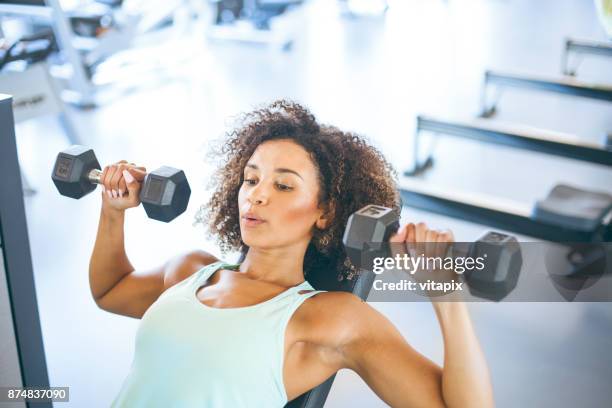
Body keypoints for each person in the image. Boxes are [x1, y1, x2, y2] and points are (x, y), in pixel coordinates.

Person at [89, 100, 494, 407]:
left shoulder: (331, 318)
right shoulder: (191, 271)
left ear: (325, 212)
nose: (257, 195)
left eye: (283, 186)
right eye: (251, 179)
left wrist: (447, 295)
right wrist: (113, 209)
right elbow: (111, 290)